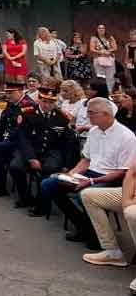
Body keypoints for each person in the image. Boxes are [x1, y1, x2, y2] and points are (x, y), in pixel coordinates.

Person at [33, 97, 135, 249]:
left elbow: (123, 172)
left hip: (110, 178)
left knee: (84, 195)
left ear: (106, 114)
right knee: (49, 184)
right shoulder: (94, 131)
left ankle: (94, 235)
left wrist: (92, 182)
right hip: (89, 173)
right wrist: (71, 174)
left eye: (92, 113)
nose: (88, 116)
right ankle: (84, 226)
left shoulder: (126, 136)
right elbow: (86, 160)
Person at [78, 151, 136, 296]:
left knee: (131, 213)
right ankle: (113, 252)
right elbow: (132, 173)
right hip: (131, 193)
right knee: (89, 195)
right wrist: (126, 199)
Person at [7, 86, 74, 209]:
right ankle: (25, 198)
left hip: (51, 151)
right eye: (44, 101)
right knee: (16, 167)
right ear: (39, 99)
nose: (47, 105)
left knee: (50, 168)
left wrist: (67, 165)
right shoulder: (27, 113)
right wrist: (31, 158)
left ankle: (41, 204)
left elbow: (68, 142)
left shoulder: (62, 118)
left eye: (51, 102)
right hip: (31, 149)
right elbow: (23, 138)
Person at [0, 81, 37, 199]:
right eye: (7, 92)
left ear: (20, 91)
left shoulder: (28, 105)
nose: (8, 95)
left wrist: (1, 141)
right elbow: (2, 122)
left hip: (21, 141)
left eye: (11, 93)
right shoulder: (11, 103)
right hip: (9, 137)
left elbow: (22, 131)